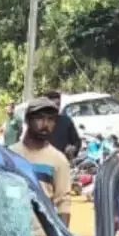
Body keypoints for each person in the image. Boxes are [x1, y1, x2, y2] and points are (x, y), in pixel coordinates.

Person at [14, 96, 73, 224]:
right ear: (27, 119)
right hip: (13, 232)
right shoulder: (11, 155)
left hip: (42, 235)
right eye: (40, 118)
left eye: (51, 119)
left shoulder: (58, 160)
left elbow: (63, 204)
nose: (46, 124)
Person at [42, 90, 82, 161]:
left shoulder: (66, 121)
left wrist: (73, 149)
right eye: (52, 105)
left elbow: (76, 142)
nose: (56, 108)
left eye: (58, 104)